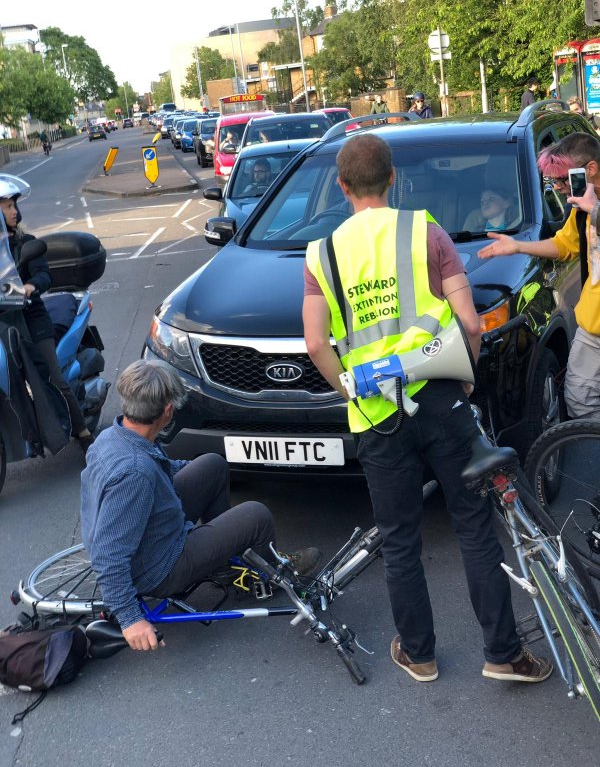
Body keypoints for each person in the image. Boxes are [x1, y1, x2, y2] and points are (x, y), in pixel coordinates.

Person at [302, 133, 551, 684]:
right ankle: (505, 655)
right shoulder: (426, 232)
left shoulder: (322, 254)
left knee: (399, 538)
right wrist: (460, 379)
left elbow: (316, 343)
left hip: (373, 411)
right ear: (395, 179)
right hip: (438, 396)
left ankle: (419, 654)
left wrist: (351, 391)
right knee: (474, 523)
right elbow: (467, 323)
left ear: (342, 187)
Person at [80, 359, 321, 652]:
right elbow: (110, 552)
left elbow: (161, 469)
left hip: (154, 530)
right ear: (167, 411)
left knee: (212, 465)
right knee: (256, 515)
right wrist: (130, 618)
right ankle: (266, 578)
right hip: (159, 567)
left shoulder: (114, 435)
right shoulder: (135, 473)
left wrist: (198, 470)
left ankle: (226, 566)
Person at [479, 131, 600, 419]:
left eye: (562, 178)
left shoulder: (589, 207)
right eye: (553, 180)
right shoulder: (581, 207)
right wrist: (517, 246)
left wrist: (595, 210)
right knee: (579, 398)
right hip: (592, 324)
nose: (557, 188)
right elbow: (563, 245)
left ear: (591, 169)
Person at [0, 175, 94, 452]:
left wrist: (30, 286)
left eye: (14, 205)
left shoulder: (24, 243)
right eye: (7, 207)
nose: (14, 211)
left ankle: (84, 432)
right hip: (4, 323)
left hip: (32, 321)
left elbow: (44, 275)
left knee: (54, 377)